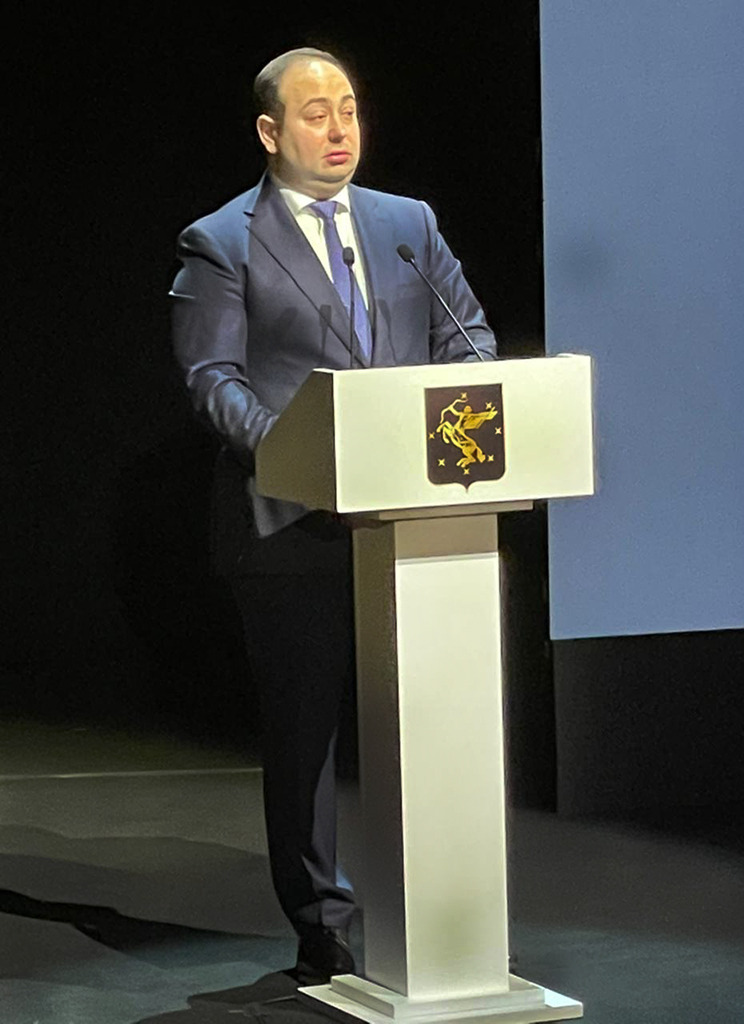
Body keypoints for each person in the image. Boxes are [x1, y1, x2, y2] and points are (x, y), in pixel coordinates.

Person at [170, 47, 497, 984]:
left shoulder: (407, 223)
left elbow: (468, 336)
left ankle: (447, 914)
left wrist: (471, 399)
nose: (339, 128)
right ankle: (324, 926)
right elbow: (213, 380)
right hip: (293, 526)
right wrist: (300, 458)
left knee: (434, 725)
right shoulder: (220, 241)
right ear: (270, 132)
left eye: (348, 109)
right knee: (305, 737)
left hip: (412, 523)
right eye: (315, 114)